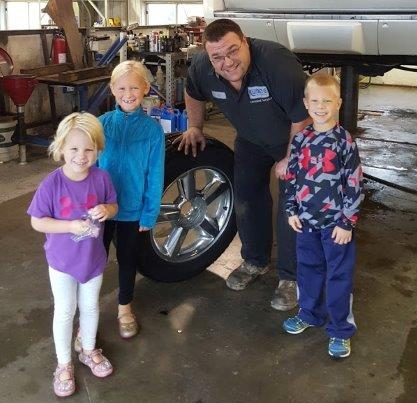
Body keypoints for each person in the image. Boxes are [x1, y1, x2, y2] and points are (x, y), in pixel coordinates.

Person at [176, 19, 311, 310]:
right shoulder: (202, 67)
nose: (227, 62)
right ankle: (254, 261)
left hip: (292, 138)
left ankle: (291, 277)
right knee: (247, 198)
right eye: (218, 57)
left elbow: (303, 115)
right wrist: (195, 126)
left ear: (245, 41)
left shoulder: (277, 64)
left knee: (293, 206)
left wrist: (291, 156)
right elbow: (192, 91)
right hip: (250, 140)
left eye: (233, 51)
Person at [27, 112, 118, 397]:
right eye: (74, 148)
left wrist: (107, 210)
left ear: (98, 150)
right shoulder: (51, 184)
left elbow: (113, 205)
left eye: (89, 149)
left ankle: (88, 350)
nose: (81, 155)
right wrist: (68, 225)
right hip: (62, 263)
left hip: (92, 261)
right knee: (65, 311)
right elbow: (37, 221)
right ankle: (63, 363)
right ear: (61, 148)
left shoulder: (101, 178)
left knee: (90, 307)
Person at [282, 74, 364, 358]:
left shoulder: (344, 142)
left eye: (327, 100)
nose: (320, 106)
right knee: (308, 270)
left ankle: (340, 329)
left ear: (338, 103)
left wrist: (347, 222)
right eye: (315, 100)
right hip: (305, 222)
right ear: (306, 103)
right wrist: (291, 209)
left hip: (335, 226)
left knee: (338, 277)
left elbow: (354, 183)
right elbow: (291, 177)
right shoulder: (301, 139)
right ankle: (310, 314)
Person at [98, 60, 165, 339]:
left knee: (127, 260)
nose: (128, 93)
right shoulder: (101, 124)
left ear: (145, 89)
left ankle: (124, 307)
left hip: (131, 211)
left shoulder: (152, 130)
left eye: (134, 87)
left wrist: (149, 214)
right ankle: (87, 310)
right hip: (99, 209)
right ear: (113, 89)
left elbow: (155, 174)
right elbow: (86, 165)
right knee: (93, 261)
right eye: (122, 87)